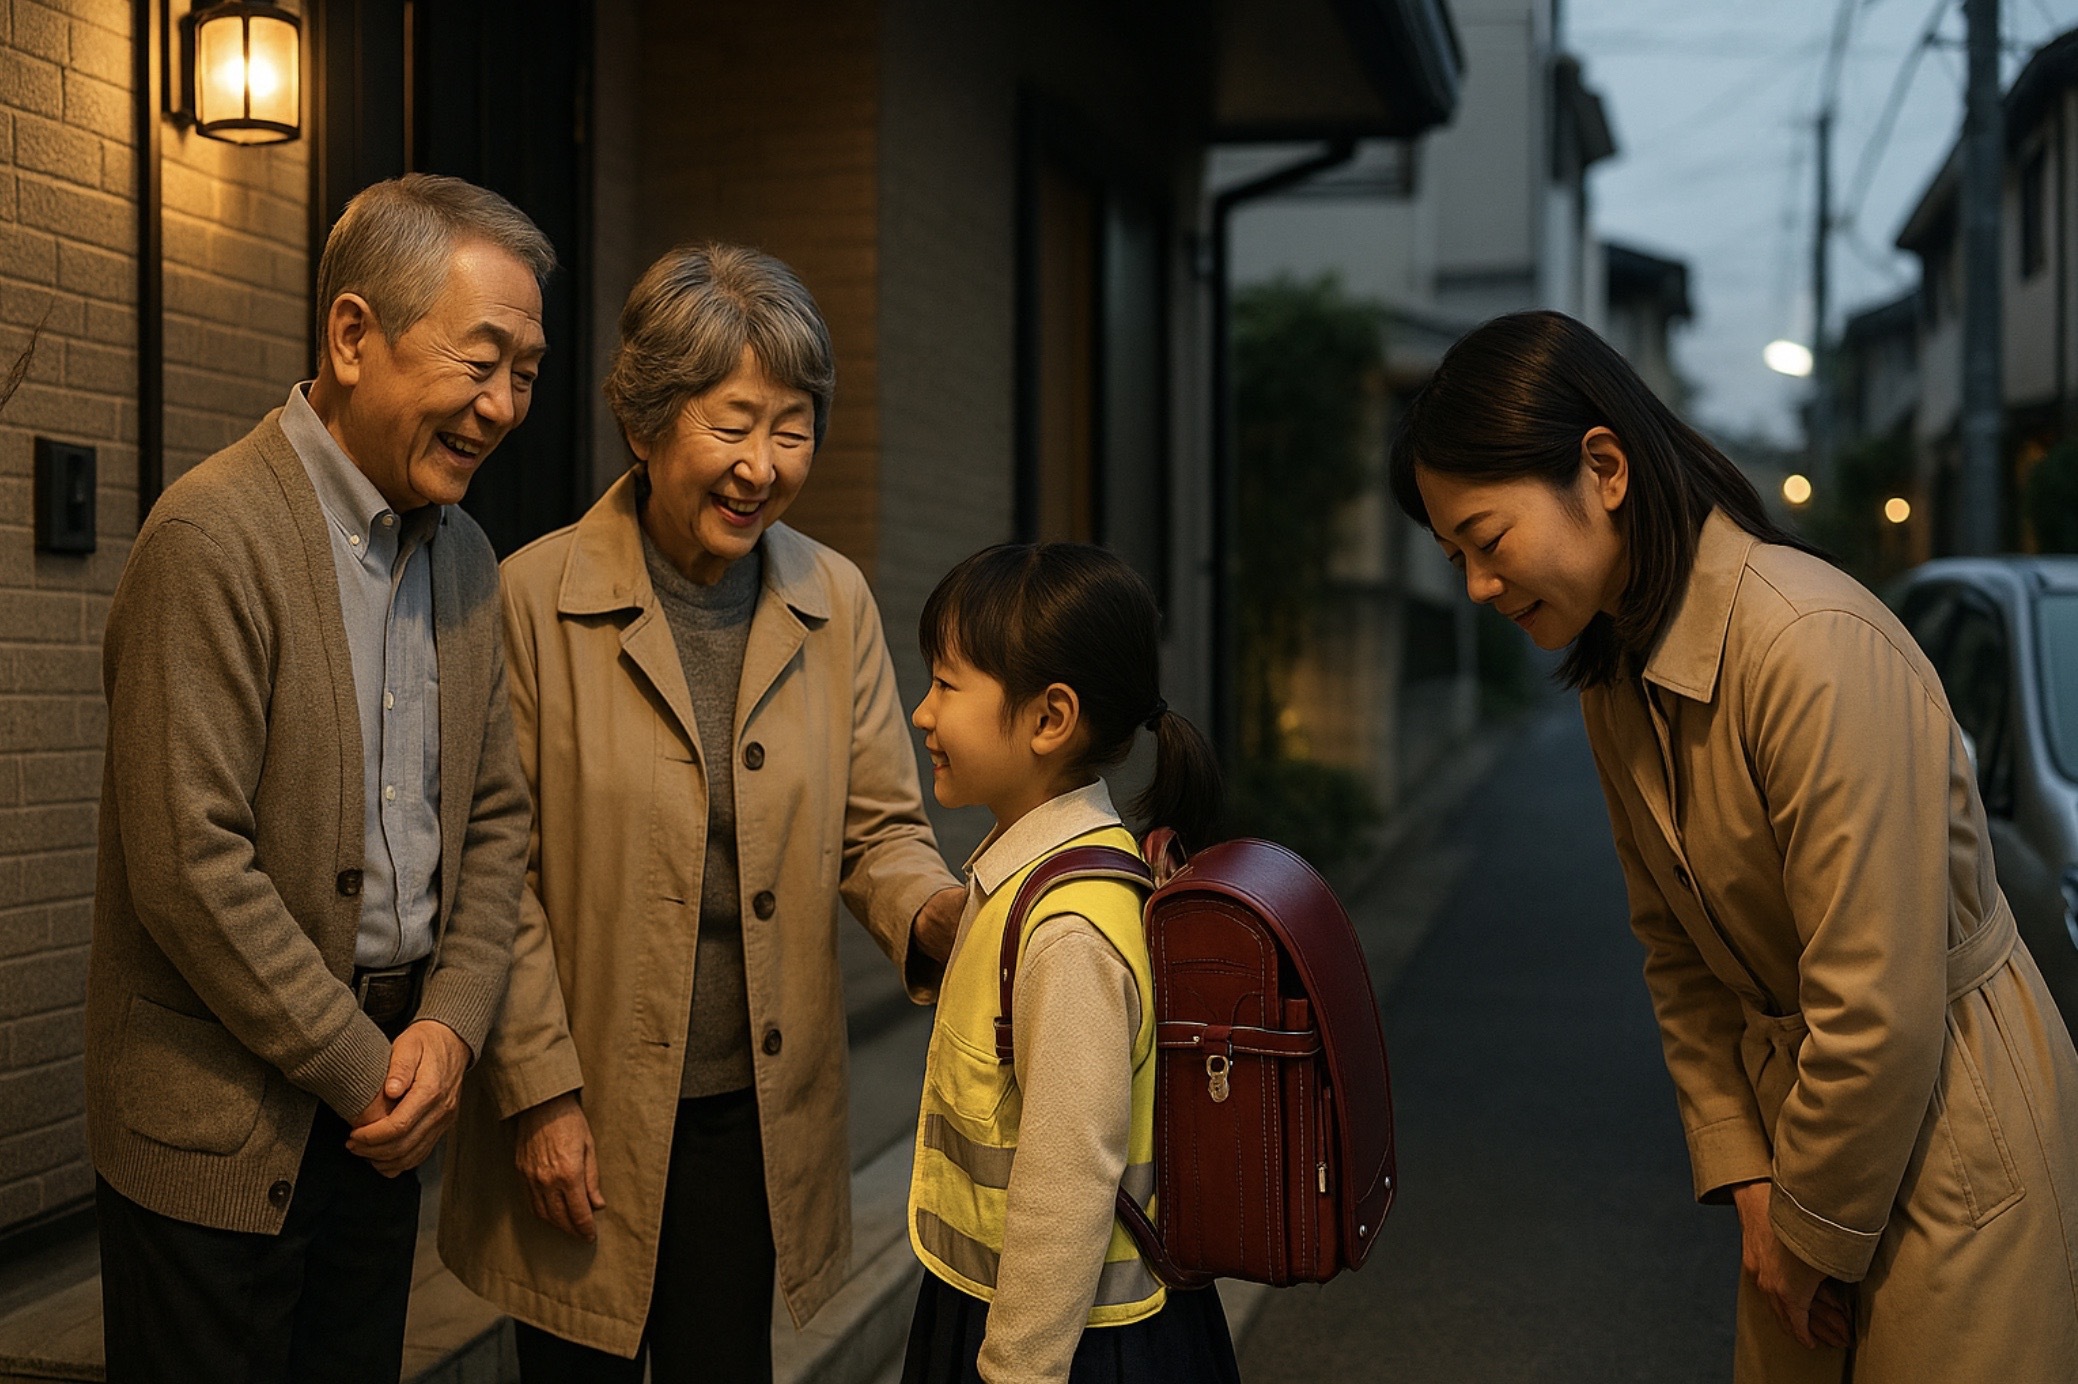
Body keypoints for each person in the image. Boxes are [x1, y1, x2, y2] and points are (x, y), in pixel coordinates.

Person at [1390, 309, 2078, 1380]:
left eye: (1486, 539)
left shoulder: (1809, 646)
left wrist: (1804, 1228)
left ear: (1603, 469)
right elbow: (1676, 953)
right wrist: (1750, 1176)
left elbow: (1876, 1000)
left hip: (1954, 1135)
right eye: (1454, 557)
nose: (1476, 584)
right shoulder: (1618, 675)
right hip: (1812, 1143)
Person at [438, 242, 967, 1383]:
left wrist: (941, 916)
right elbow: (494, 874)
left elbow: (880, 831)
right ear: (644, 423)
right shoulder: (528, 598)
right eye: (732, 426)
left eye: (793, 429)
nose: (761, 467)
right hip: (582, 1101)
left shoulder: (834, 600)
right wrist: (536, 1094)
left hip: (754, 1109)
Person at [88, 173, 548, 1382]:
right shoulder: (212, 536)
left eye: (525, 373)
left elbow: (495, 821)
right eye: (481, 362)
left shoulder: (466, 556)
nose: (503, 406)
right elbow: (190, 865)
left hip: (384, 1113)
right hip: (218, 1129)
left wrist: (449, 1025)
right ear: (353, 335)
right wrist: (366, 1067)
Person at [900, 542, 1242, 1384]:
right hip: (1022, 1311)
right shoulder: (1032, 881)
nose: (923, 713)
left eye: (946, 684)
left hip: (1066, 1342)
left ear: (1050, 719)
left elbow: (1068, 1180)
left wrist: (1019, 1369)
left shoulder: (1068, 931)